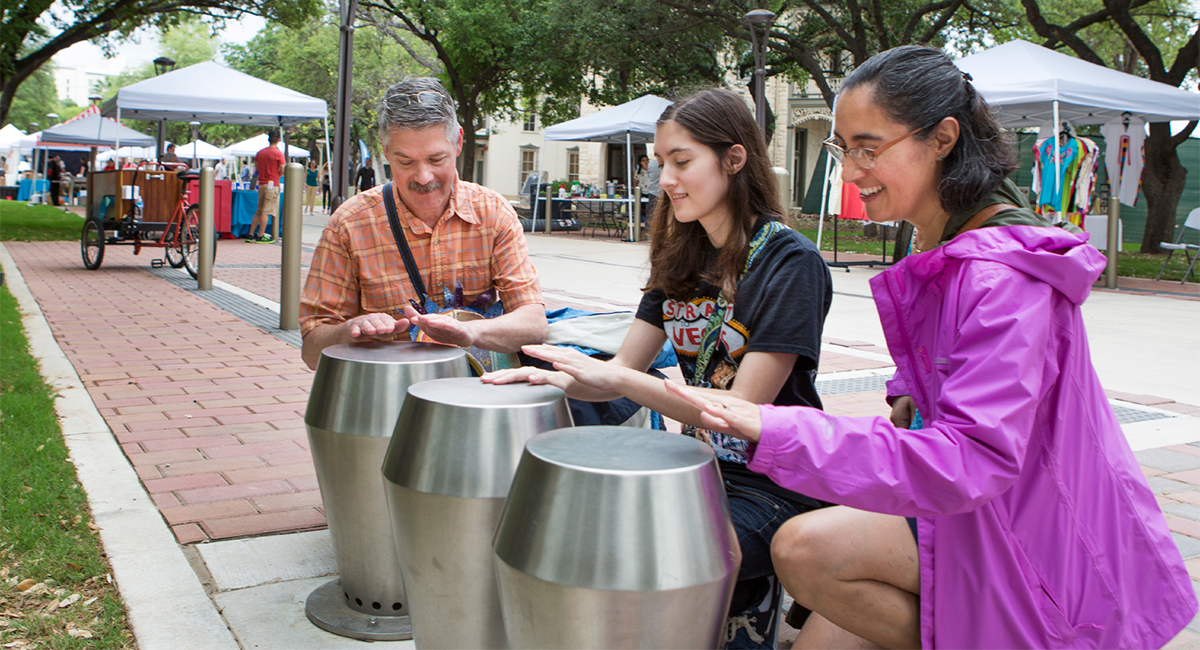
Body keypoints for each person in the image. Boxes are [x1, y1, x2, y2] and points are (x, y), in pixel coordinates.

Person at [664, 45, 1197, 650]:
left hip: (1035, 538)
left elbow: (971, 454)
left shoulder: (1000, 275)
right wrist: (907, 393)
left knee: (804, 548)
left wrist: (771, 425)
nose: (852, 170)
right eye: (844, 150)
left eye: (869, 148)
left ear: (942, 138)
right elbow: (961, 379)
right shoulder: (949, 245)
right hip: (980, 510)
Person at [483, 88, 833, 649]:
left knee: (650, 560)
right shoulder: (681, 258)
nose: (665, 180)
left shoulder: (791, 264)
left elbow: (737, 412)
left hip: (776, 486)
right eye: (660, 163)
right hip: (692, 471)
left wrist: (620, 380)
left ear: (735, 159)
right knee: (585, 539)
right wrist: (551, 380)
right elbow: (623, 366)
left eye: (682, 161)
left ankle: (746, 606)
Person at [299, 77, 547, 371]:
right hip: (390, 397)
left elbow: (533, 324)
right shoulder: (349, 224)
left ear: (458, 143)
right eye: (405, 162)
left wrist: (472, 332)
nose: (423, 176)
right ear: (385, 150)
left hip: (478, 396)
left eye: (436, 158)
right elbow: (312, 353)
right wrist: (351, 331)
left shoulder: (493, 213)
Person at [248, 131, 284, 243]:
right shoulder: (278, 153)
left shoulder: (260, 153)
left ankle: (250, 234)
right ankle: (260, 235)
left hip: (262, 183)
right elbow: (283, 168)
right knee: (266, 210)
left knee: (259, 210)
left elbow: (257, 168)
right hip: (272, 183)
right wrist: (279, 175)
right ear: (278, 140)